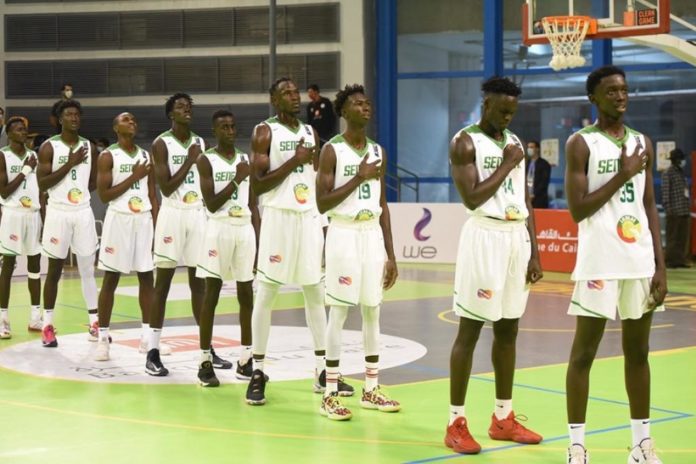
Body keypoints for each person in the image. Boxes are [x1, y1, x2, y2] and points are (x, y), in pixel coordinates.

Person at [564, 66, 667, 464]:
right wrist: (623, 174)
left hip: (638, 261)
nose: (620, 96)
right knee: (582, 355)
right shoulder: (580, 143)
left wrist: (658, 264)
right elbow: (577, 210)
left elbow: (647, 205)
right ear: (594, 97)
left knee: (638, 353)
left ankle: (641, 445)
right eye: (611, 91)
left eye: (624, 90)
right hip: (599, 262)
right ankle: (577, 447)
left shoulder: (643, 142)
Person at [444, 76, 544, 454]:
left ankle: (503, 417)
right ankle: (455, 422)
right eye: (502, 111)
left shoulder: (514, 143)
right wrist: (505, 165)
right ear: (485, 104)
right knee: (469, 332)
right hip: (484, 236)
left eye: (512, 112)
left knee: (508, 331)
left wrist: (534, 250)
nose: (507, 118)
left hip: (516, 238)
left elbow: (525, 197)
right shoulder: (464, 141)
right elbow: (471, 197)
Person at [246, 77, 353, 406]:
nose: (294, 97)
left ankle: (322, 371)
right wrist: (294, 159)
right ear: (274, 100)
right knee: (265, 294)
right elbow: (258, 185)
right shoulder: (265, 132)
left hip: (307, 218)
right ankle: (258, 371)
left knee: (315, 293)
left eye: (296, 93)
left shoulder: (311, 133)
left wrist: (322, 223)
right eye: (287, 93)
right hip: (278, 218)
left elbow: (316, 181)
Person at [315, 84, 399, 420]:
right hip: (344, 233)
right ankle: (330, 393)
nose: (365, 107)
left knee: (372, 312)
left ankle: (371, 388)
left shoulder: (378, 151)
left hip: (371, 235)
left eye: (367, 103)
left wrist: (391, 254)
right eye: (358, 103)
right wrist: (358, 178)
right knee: (339, 312)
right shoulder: (331, 151)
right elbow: (323, 202)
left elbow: (382, 204)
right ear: (344, 111)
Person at [149, 93, 229, 369]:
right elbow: (167, 187)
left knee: (200, 284)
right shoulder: (161, 144)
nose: (187, 110)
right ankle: (152, 351)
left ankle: (206, 349)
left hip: (197, 214)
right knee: (163, 284)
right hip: (172, 213)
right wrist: (189, 160)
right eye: (181, 107)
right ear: (171, 114)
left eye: (189, 106)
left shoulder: (200, 141)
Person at [195, 110, 261, 386]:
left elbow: (253, 204)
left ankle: (246, 359)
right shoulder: (205, 159)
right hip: (218, 228)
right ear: (215, 130)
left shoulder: (245, 159)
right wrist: (236, 178)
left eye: (233, 126)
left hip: (243, 228)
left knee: (247, 295)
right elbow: (210, 203)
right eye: (224, 127)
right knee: (212, 293)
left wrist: (257, 236)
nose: (230, 131)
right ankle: (204, 361)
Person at [93, 113, 159, 364]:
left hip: (142, 219)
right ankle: (103, 339)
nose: (132, 122)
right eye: (126, 120)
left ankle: (147, 339)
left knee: (146, 277)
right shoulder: (108, 155)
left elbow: (152, 194)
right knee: (111, 279)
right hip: (118, 219)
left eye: (134, 119)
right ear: (115, 127)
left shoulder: (146, 156)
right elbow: (105, 195)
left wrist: (156, 221)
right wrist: (134, 176)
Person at [36, 100, 100, 348]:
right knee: (54, 271)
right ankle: (48, 326)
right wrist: (71, 163)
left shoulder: (89, 146)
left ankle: (95, 322)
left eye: (77, 114)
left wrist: (78, 194)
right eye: (69, 114)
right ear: (59, 119)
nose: (74, 118)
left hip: (82, 211)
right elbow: (43, 184)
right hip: (58, 212)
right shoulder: (49, 147)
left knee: (88, 269)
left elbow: (93, 182)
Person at [0, 117, 42, 339]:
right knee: (7, 267)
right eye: (18, 129)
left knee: (34, 266)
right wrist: (25, 170)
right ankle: (3, 320)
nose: (23, 132)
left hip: (32, 215)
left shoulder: (34, 155)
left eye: (25, 128)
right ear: (9, 133)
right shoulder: (3, 155)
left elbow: (40, 189)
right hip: (13, 214)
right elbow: (4, 191)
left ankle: (36, 317)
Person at [661, 148, 691, 268]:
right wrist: (669, 209)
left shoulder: (680, 172)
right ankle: (670, 261)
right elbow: (665, 193)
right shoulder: (668, 173)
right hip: (674, 211)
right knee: (673, 238)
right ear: (676, 160)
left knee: (682, 238)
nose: (683, 161)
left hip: (684, 210)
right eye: (681, 159)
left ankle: (680, 260)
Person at [526, 140, 551, 208]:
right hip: (526, 198)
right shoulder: (526, 163)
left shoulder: (544, 164)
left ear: (537, 149)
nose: (529, 149)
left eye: (531, 147)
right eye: (528, 147)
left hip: (539, 199)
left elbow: (544, 182)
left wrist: (533, 195)